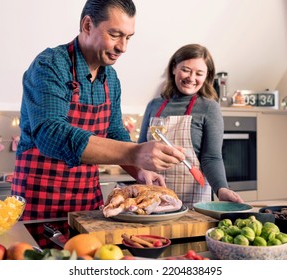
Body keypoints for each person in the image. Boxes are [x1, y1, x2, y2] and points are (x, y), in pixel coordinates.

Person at [11, 0, 185, 220]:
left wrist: (138, 169)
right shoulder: (50, 65)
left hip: (88, 205)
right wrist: (135, 153)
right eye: (115, 35)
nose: (123, 47)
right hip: (40, 203)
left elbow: (114, 133)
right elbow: (50, 134)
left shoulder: (111, 79)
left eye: (128, 37)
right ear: (87, 25)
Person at [138, 44, 243, 209]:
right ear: (174, 68)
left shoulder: (209, 108)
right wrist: (140, 172)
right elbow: (140, 150)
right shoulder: (154, 105)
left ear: (207, 76)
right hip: (153, 200)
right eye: (186, 70)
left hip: (193, 203)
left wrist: (221, 189)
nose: (191, 78)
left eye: (199, 73)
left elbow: (211, 158)